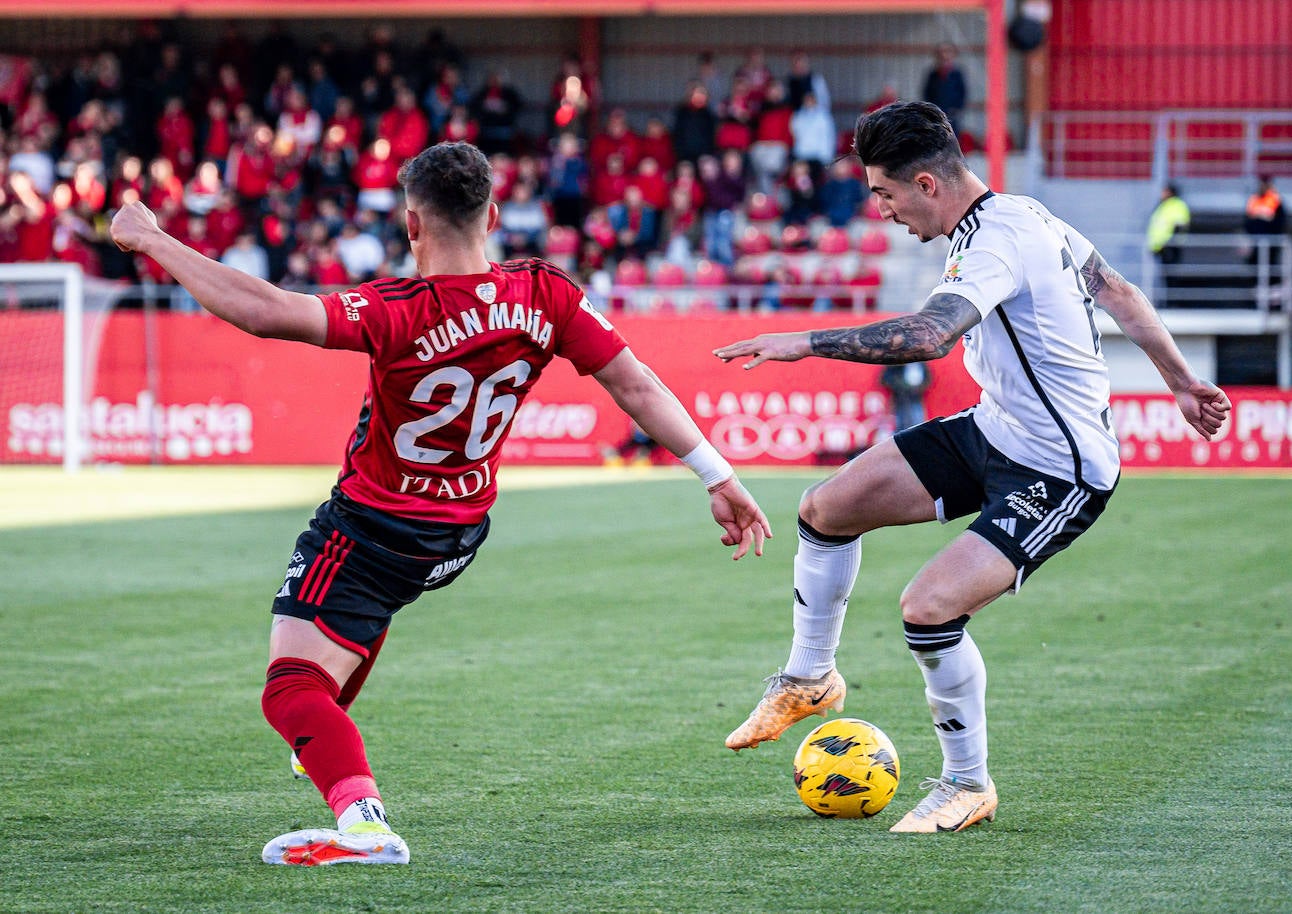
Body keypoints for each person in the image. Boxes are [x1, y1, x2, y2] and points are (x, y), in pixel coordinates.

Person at [109, 141, 772, 866]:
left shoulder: (396, 309)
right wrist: (717, 475)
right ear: (492, 214)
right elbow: (635, 383)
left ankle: (362, 821)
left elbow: (264, 311)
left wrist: (149, 237)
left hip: (371, 527)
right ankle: (329, 742)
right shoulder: (545, 293)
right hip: (458, 532)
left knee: (290, 690)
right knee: (355, 628)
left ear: (412, 225)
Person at [712, 102, 1230, 834]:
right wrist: (1180, 380)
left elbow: (928, 335)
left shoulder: (995, 243)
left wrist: (806, 339)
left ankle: (967, 783)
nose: (883, 211)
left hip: (1061, 469)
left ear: (927, 183)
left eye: (886, 195)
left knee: (928, 609)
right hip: (996, 430)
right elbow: (1115, 290)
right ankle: (809, 678)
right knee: (826, 507)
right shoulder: (1025, 215)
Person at [921, 43, 967, 139]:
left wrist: (956, 109)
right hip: (936, 115)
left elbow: (962, 93)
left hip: (952, 115)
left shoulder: (957, 74)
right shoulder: (933, 74)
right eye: (942, 52)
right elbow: (927, 93)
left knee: (953, 139)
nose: (945, 55)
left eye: (948, 52)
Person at [1147, 183, 1190, 267]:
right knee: (1165, 274)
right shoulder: (1163, 205)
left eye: (1164, 191)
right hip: (1160, 247)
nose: (1162, 193)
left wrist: (1170, 244)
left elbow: (1180, 226)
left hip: (1170, 247)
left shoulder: (1178, 205)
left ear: (1170, 192)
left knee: (1171, 274)